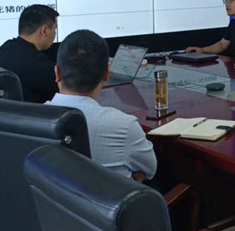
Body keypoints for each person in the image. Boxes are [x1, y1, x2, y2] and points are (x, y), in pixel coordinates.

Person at [46, 29, 157, 180]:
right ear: (106, 73)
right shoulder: (125, 126)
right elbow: (149, 170)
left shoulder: (32, 119)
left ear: (57, 73)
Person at [0, 4, 59, 103]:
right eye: (55, 29)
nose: (55, 33)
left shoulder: (5, 48)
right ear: (44, 30)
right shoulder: (40, 66)